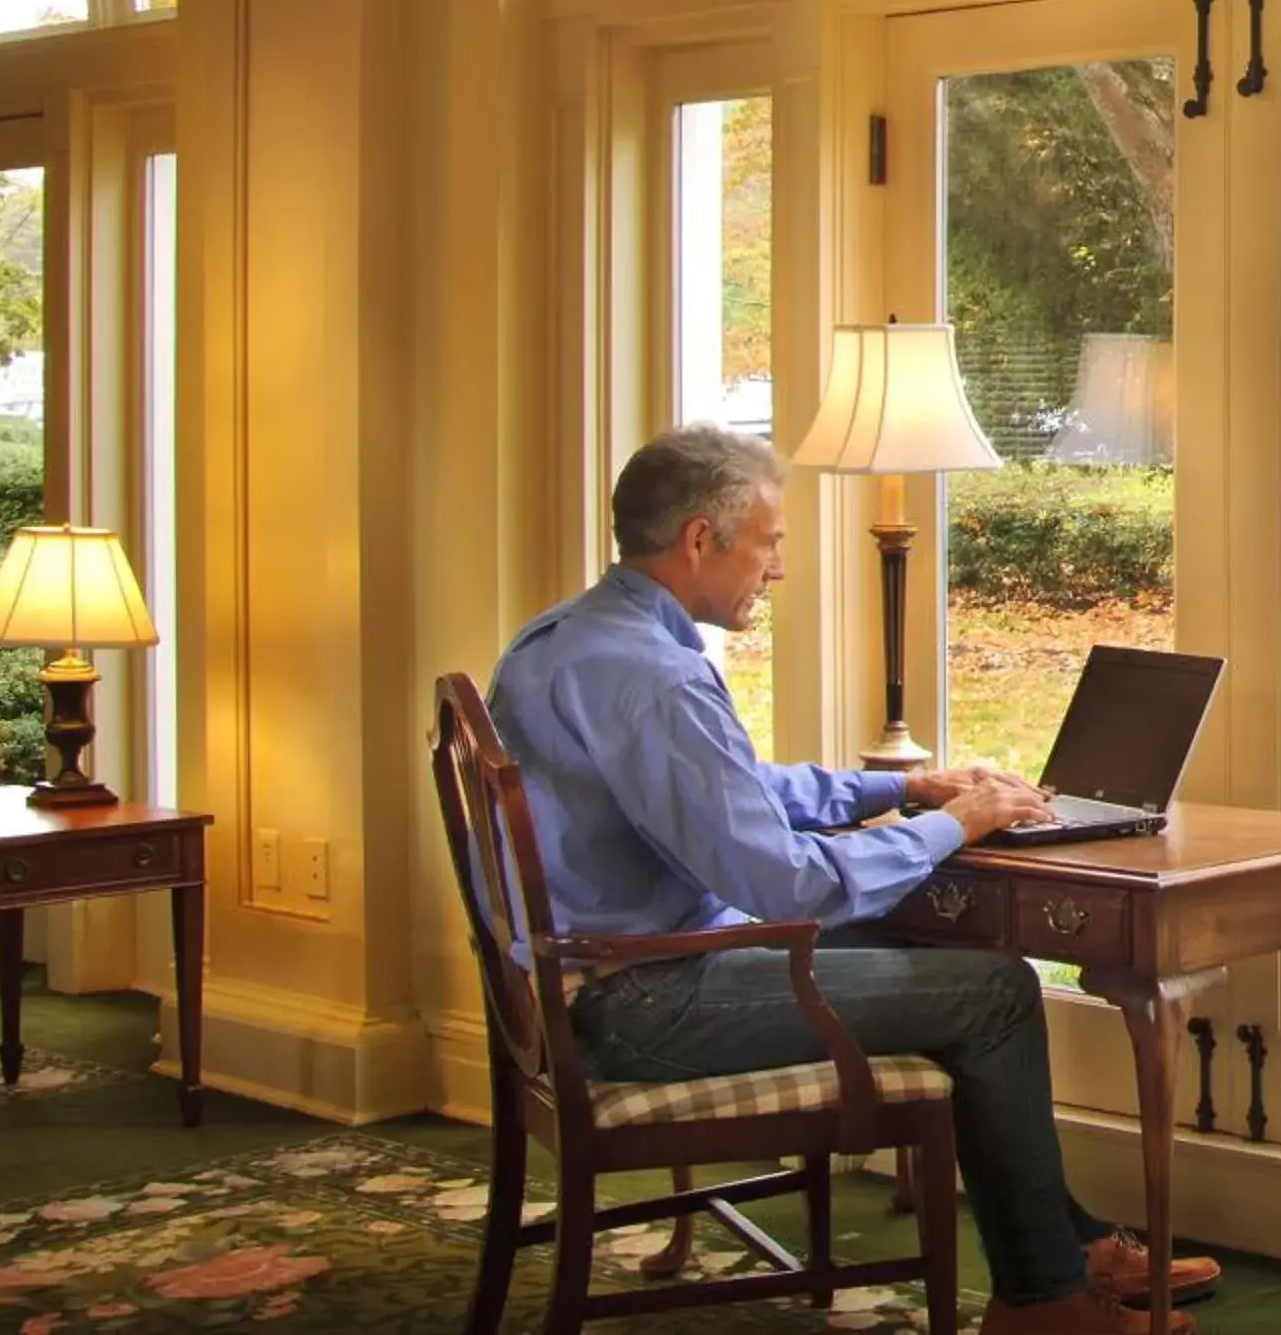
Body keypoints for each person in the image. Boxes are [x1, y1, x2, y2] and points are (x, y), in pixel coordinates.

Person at [491, 423, 1219, 1333]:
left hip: (582, 981)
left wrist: (905, 786)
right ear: (699, 541)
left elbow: (737, 794)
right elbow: (784, 884)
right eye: (771, 541)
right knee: (992, 991)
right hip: (636, 1004)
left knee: (933, 943)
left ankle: (1059, 1252)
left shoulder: (565, 637)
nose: (779, 567)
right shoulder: (656, 677)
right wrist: (956, 824)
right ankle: (1045, 1301)